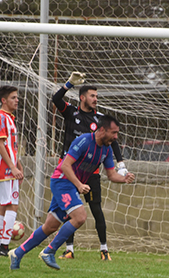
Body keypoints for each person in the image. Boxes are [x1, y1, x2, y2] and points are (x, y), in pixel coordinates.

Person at [8, 115, 135, 270]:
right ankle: (49, 251)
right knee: (80, 216)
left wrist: (124, 179)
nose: (116, 137)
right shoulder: (83, 141)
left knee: (50, 226)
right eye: (113, 133)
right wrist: (79, 185)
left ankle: (17, 253)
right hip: (62, 181)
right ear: (102, 130)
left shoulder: (106, 149)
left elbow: (111, 175)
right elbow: (65, 166)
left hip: (71, 185)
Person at [52, 72, 129, 261]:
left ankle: (104, 250)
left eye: (97, 96)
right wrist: (69, 83)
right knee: (70, 211)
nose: (95, 99)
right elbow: (55, 98)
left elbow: (114, 141)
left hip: (91, 172)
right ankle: (69, 249)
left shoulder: (101, 120)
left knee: (96, 209)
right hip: (69, 172)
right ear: (82, 98)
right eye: (92, 96)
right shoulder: (71, 113)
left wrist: (121, 164)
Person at [0, 85, 24, 256]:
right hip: (4, 169)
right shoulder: (0, 118)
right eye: (13, 97)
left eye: (17, 97)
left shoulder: (9, 118)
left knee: (4, 206)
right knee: (12, 205)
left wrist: (18, 164)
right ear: (4, 100)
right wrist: (12, 167)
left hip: (9, 168)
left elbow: (11, 146)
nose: (17, 100)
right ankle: (4, 246)